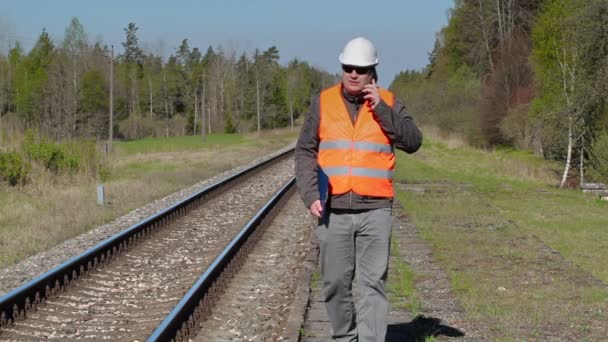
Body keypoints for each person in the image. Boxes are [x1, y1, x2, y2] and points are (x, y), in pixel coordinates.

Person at [295, 37, 422, 342]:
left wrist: (382, 110)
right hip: (333, 210)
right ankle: (344, 337)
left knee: (372, 284)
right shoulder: (322, 102)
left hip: (376, 210)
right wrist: (310, 194)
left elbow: (413, 142)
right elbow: (305, 151)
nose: (353, 74)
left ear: (372, 72)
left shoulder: (390, 102)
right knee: (335, 283)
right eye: (348, 67)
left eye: (360, 69)